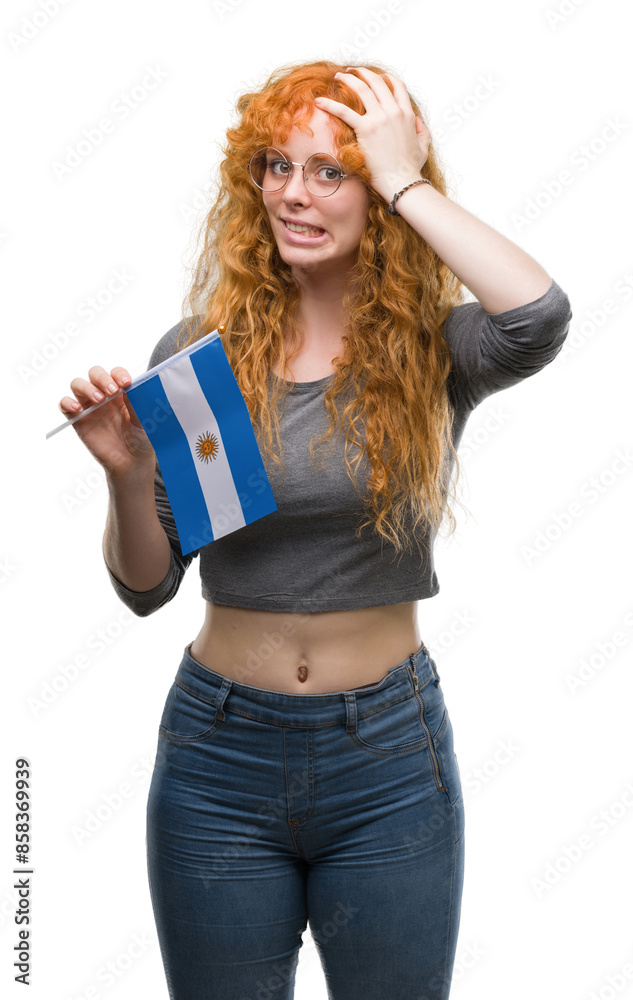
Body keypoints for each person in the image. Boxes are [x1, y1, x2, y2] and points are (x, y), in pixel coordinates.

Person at [57, 60, 571, 1000]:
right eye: (276, 165)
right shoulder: (203, 354)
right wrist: (129, 480)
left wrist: (405, 176)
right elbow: (146, 587)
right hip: (218, 758)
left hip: (385, 759)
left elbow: (537, 315)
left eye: (331, 170)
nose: (294, 193)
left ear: (377, 188)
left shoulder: (432, 348)